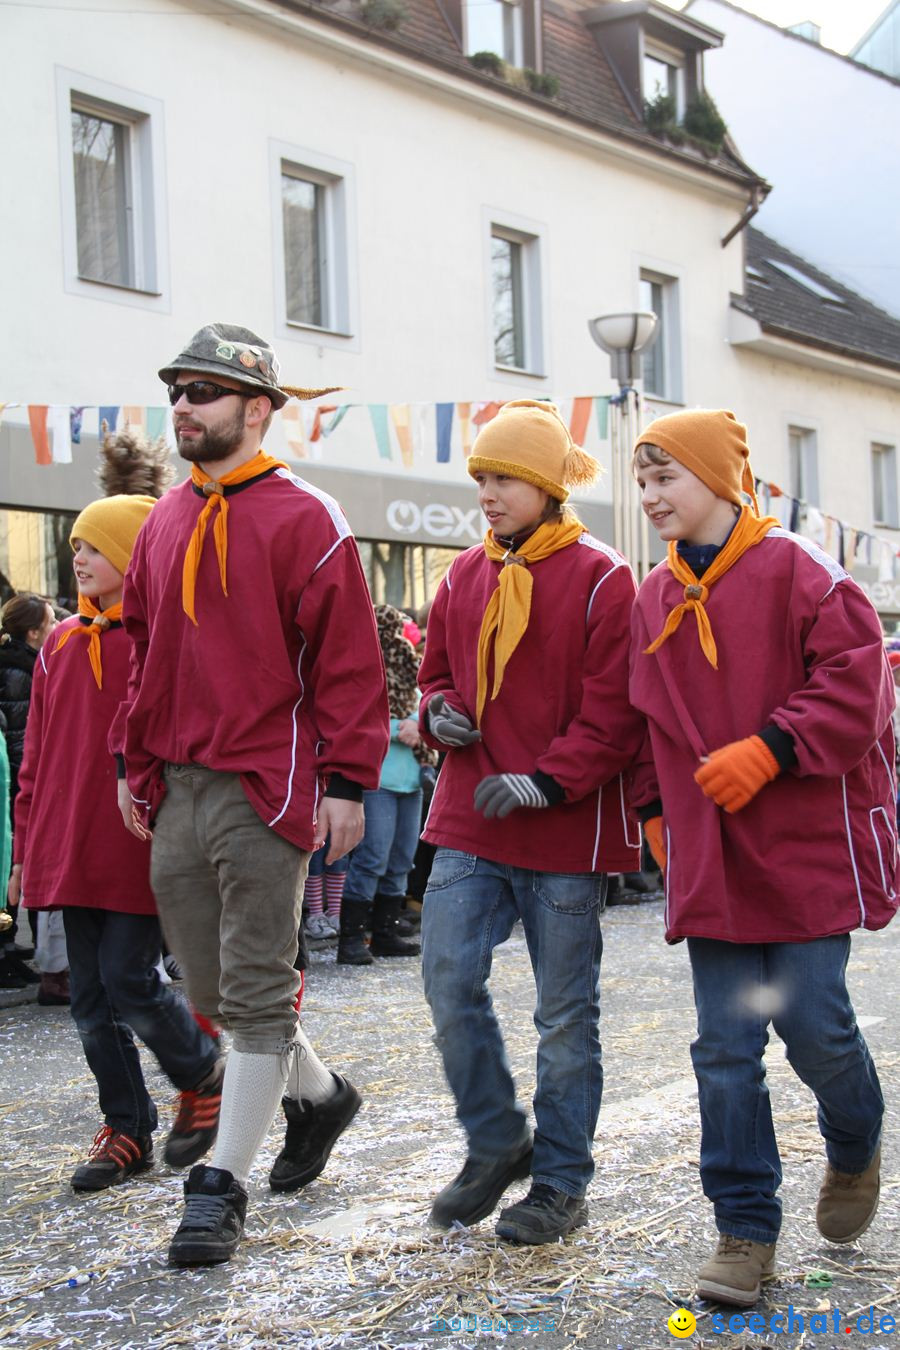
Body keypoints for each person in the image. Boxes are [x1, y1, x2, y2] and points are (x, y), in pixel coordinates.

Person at [113, 323, 389, 1264]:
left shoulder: (308, 518)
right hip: (177, 785)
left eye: (205, 391)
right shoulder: (161, 519)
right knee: (211, 989)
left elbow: (349, 666)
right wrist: (131, 763)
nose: (183, 406)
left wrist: (348, 782)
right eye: (177, 390)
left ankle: (218, 1187)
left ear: (258, 409)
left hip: (268, 786)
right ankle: (319, 1096)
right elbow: (143, 657)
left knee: (259, 988)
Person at [628, 409, 898, 1308]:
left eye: (665, 477)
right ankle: (744, 1230)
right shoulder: (654, 596)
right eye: (643, 480)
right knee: (725, 1049)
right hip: (713, 860)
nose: (650, 497)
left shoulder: (801, 572)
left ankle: (856, 1135)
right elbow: (645, 717)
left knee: (815, 1023)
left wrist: (774, 747)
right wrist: (653, 807)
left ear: (716, 477)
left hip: (804, 851)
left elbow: (860, 683)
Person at [418, 400, 645, 1244]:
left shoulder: (601, 575)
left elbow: (617, 709)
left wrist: (548, 781)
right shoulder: (463, 573)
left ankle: (558, 1182)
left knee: (564, 1016)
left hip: (561, 831)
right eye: (480, 477)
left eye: (503, 477)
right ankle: (495, 1137)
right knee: (446, 979)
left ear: (547, 486)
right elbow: (435, 673)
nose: (487, 492)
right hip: (471, 815)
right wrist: (437, 710)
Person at [13, 437, 224, 1191]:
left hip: (136, 845)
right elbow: (36, 754)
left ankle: (203, 1071)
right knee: (89, 1005)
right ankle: (125, 1128)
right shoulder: (59, 644)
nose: (79, 557)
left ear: (135, 556)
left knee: (130, 981)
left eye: (95, 546)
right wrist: (25, 851)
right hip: (69, 850)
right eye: (73, 546)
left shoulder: (158, 640)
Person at [337, 603, 435, 965]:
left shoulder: (411, 677)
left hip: (409, 784)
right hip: (377, 782)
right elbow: (357, 723)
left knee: (401, 860)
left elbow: (425, 715)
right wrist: (400, 730)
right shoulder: (363, 679)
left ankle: (384, 933)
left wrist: (420, 731)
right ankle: (350, 939)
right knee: (372, 859)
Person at [0, 593, 57, 988]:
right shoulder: (22, 667)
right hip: (17, 772)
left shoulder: (24, 662)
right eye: (51, 623)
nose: (56, 629)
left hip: (16, 770)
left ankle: (9, 948)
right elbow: (21, 730)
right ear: (34, 632)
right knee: (12, 863)